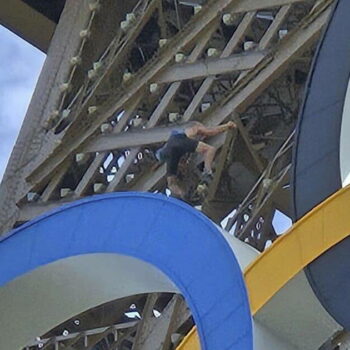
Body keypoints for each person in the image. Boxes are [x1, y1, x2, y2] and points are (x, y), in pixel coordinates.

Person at [155, 121, 237, 198]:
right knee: (210, 150)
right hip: (178, 144)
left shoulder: (172, 140)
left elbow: (171, 184)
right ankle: (207, 173)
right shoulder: (194, 128)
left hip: (170, 154)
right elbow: (210, 132)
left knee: (172, 182)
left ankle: (183, 195)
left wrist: (182, 194)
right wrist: (227, 125)